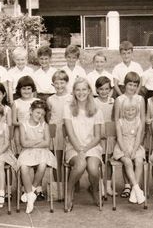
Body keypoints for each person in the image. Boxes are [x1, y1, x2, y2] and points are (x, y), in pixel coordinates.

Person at [63, 78, 104, 211]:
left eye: (84, 89)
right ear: (74, 91)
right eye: (78, 89)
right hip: (74, 147)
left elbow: (98, 136)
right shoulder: (68, 108)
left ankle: (95, 189)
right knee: (80, 164)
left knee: (92, 168)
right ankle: (69, 191)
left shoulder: (97, 109)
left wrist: (85, 149)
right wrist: (80, 150)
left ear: (89, 91)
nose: (81, 93)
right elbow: (70, 134)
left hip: (92, 146)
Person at [17, 100, 57, 213]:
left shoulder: (44, 125)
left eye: (42, 114)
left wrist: (33, 142)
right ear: (31, 111)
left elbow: (47, 143)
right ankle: (30, 195)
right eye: (37, 113)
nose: (39, 116)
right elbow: (23, 143)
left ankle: (31, 190)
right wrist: (39, 140)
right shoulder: (23, 125)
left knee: (43, 165)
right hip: (27, 152)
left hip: (42, 152)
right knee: (24, 167)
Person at [113, 71, 145, 198]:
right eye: (130, 84)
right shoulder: (120, 100)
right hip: (124, 134)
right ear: (125, 85)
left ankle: (134, 189)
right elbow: (116, 119)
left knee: (138, 160)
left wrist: (139, 139)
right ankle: (128, 186)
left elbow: (142, 118)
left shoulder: (140, 99)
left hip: (136, 135)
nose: (132, 87)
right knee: (127, 159)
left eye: (135, 85)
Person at [46, 70, 73, 192]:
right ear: (53, 84)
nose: (59, 86)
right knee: (56, 159)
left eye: (62, 83)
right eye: (56, 83)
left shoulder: (71, 98)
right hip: (55, 131)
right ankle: (58, 187)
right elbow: (49, 115)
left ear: (67, 83)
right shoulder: (50, 99)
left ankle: (70, 185)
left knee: (68, 158)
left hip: (68, 130)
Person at [94, 76, 115, 196]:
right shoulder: (94, 102)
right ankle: (100, 185)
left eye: (107, 89)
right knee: (98, 161)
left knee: (108, 161)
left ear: (110, 89)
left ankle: (108, 186)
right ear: (97, 90)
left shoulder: (113, 102)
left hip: (109, 136)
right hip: (97, 135)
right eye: (101, 89)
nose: (104, 92)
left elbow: (115, 119)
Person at [12, 76, 39, 154]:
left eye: (28, 88)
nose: (26, 91)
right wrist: (24, 125)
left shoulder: (37, 101)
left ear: (32, 89)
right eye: (23, 89)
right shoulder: (16, 103)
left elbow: (41, 120)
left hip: (35, 130)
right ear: (19, 90)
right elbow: (14, 121)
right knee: (17, 130)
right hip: (21, 131)